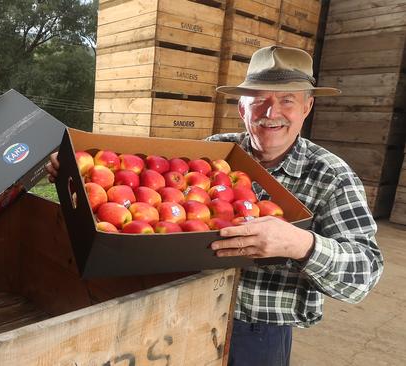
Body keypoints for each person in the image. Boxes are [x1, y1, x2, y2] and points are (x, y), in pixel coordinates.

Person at [46, 45, 383, 366]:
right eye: (259, 100)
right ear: (241, 108)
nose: (271, 112)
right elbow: (132, 202)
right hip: (183, 308)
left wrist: (303, 245)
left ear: (307, 107)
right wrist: (76, 178)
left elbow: (364, 275)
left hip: (257, 331)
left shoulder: (331, 176)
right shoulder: (214, 153)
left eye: (287, 100)